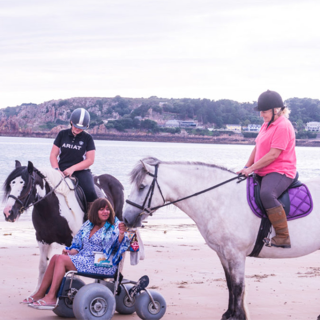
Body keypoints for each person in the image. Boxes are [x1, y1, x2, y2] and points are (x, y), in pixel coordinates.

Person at [23, 198, 130, 308]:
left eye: (107, 209)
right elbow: (77, 246)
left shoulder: (114, 225)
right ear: (94, 211)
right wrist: (69, 251)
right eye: (101, 209)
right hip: (85, 258)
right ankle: (40, 293)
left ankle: (51, 297)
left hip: (104, 262)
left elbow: (118, 247)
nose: (105, 212)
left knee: (60, 259)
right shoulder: (88, 225)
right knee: (56, 257)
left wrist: (121, 234)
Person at [238, 90, 296, 249]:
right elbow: (257, 148)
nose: (261, 115)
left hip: (281, 171)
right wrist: (245, 167)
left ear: (276, 110)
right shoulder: (266, 124)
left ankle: (283, 236)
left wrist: (251, 169)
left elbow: (273, 155)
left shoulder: (283, 126)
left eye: (264, 111)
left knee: (266, 194)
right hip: (262, 170)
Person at [50, 107, 98, 208]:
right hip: (60, 170)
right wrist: (56, 169)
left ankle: (90, 219)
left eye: (81, 127)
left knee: (91, 193)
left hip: (81, 171)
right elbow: (53, 155)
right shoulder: (62, 134)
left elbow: (90, 160)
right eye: (75, 126)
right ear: (71, 122)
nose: (77, 129)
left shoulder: (88, 138)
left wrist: (73, 168)